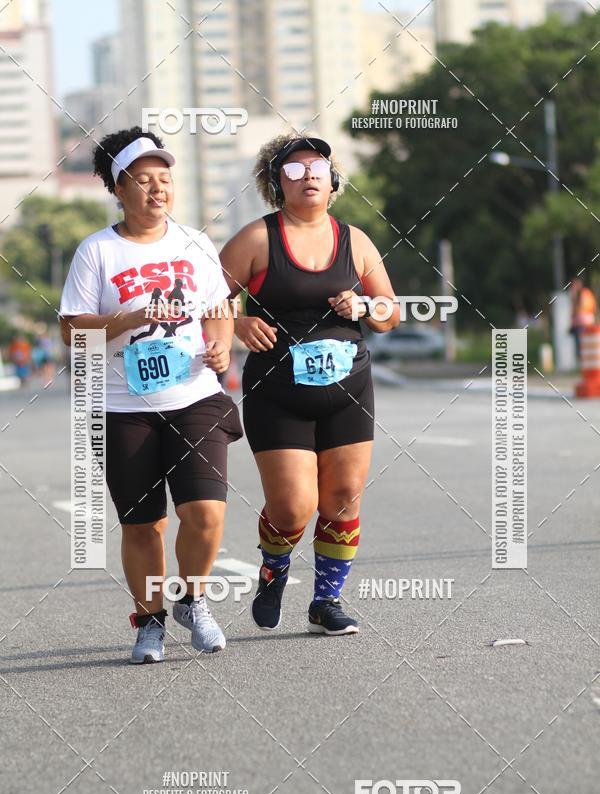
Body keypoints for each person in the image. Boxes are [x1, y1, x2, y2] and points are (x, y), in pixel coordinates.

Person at [59, 127, 242, 664]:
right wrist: (133, 316)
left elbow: (218, 310)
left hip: (195, 396)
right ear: (119, 189)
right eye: (144, 180)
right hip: (123, 406)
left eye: (165, 179)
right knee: (145, 526)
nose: (157, 189)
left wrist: (222, 349)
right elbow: (72, 331)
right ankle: (151, 621)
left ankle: (193, 600)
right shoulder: (97, 250)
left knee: (205, 514)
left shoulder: (195, 242)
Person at [220, 133, 399, 636]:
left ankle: (326, 601)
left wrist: (364, 306)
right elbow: (209, 300)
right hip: (278, 396)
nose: (308, 177)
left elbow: (390, 312)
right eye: (294, 171)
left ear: (333, 178)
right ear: (277, 184)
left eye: (316, 167)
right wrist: (236, 324)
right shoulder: (257, 239)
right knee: (293, 506)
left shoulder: (355, 241)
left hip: (349, 390)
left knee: (343, 495)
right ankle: (274, 569)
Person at [570, 278, 597, 361]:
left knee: (581, 347)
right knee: (587, 346)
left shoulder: (580, 294)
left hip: (581, 323)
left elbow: (576, 309)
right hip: (588, 322)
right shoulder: (588, 293)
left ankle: (584, 364)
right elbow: (594, 308)